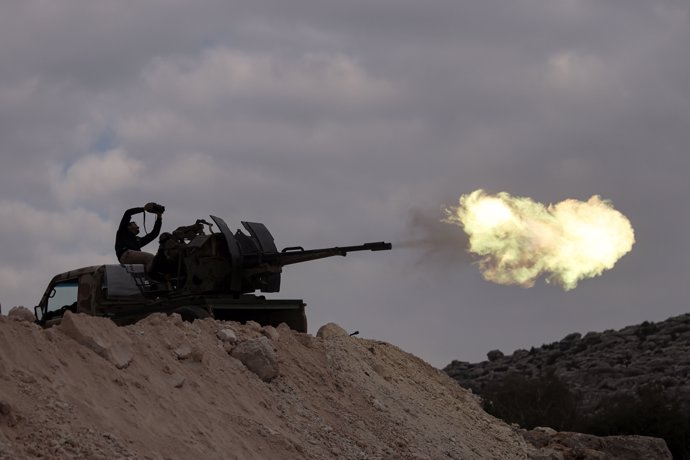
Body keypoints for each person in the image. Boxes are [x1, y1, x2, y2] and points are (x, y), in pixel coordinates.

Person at [115, 203, 164, 271]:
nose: (138, 227)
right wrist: (143, 209)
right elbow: (128, 213)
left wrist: (159, 217)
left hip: (131, 257)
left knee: (157, 261)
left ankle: (148, 280)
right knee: (151, 258)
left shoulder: (138, 240)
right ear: (128, 226)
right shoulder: (122, 231)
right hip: (126, 255)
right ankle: (152, 277)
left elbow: (154, 234)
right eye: (135, 224)